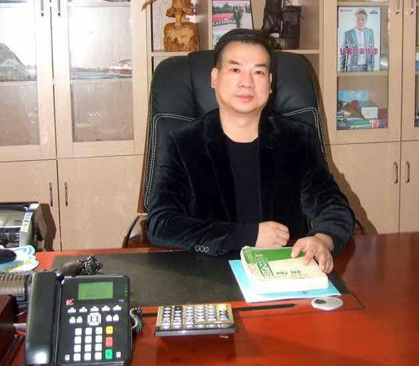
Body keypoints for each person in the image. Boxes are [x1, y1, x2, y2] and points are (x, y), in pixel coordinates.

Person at [146, 29, 355, 272]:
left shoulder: (296, 139)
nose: (247, 82)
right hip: (209, 275)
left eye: (258, 72)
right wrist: (247, 235)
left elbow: (333, 207)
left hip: (284, 273)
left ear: (270, 82)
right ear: (214, 77)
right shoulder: (183, 143)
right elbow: (161, 223)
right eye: (235, 70)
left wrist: (323, 239)